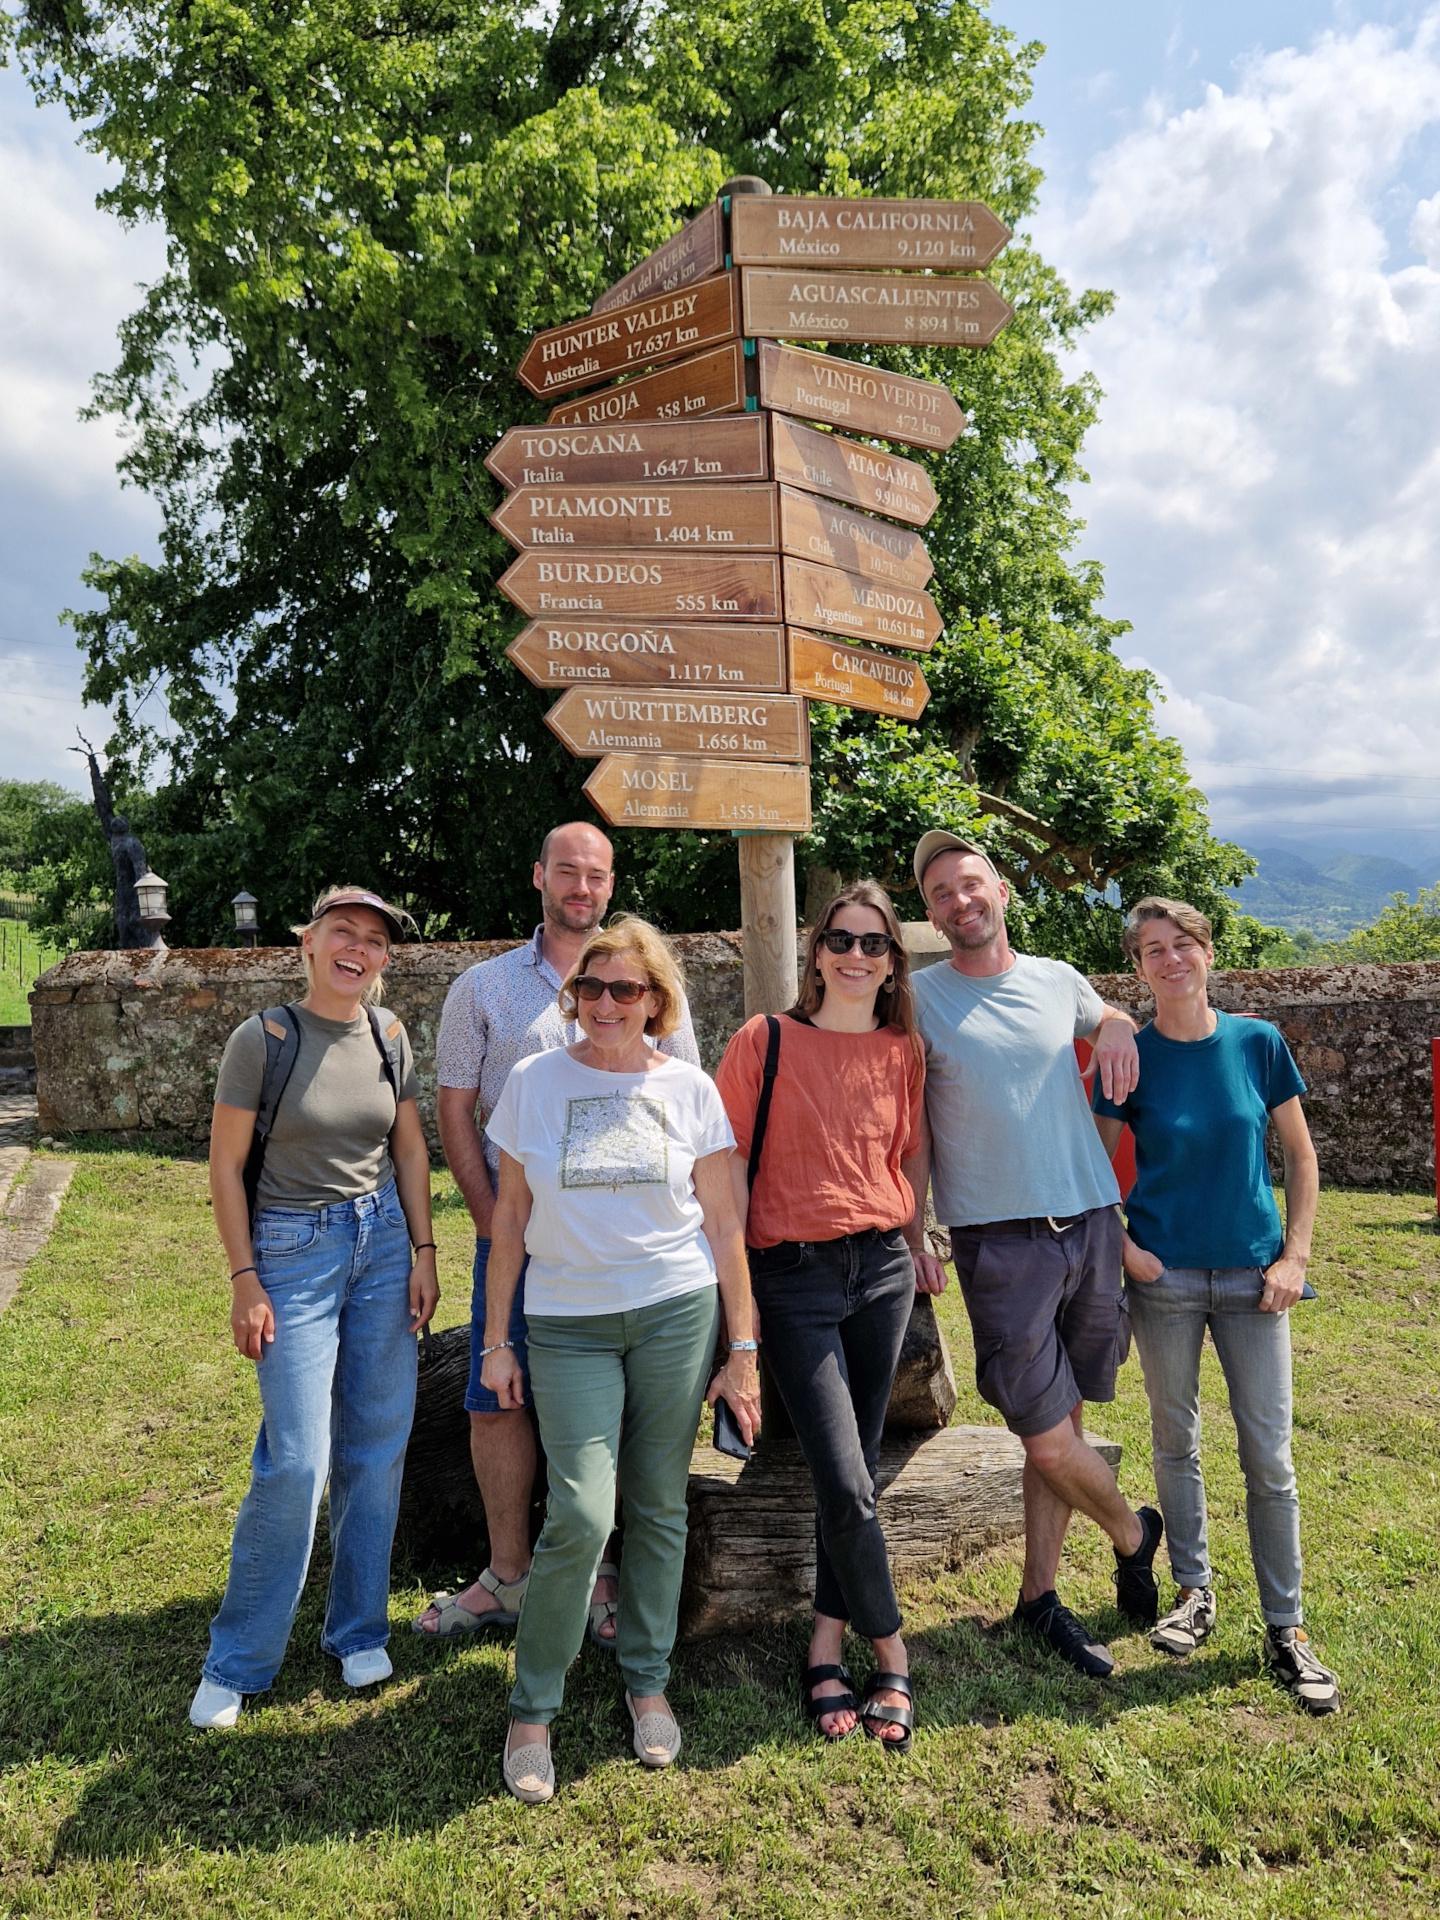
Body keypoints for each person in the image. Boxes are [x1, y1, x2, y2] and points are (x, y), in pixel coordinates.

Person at [479, 917, 760, 1802]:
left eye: (625, 990)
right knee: (582, 1512)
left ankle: (647, 1679)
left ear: (656, 1001)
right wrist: (495, 1339)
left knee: (660, 1504)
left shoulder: (689, 1088)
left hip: (677, 1312)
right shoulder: (533, 1081)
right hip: (568, 1320)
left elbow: (723, 1226)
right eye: (591, 988)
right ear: (574, 997)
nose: (605, 1004)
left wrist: (741, 1348)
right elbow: (509, 1223)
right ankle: (534, 1708)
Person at [414, 822, 700, 1645]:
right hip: (516, 1238)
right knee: (496, 1401)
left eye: (596, 874)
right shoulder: (485, 989)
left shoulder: (645, 983)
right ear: (538, 875)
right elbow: (456, 1109)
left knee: (613, 1407)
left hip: (622, 1252)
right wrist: (489, 1215)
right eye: (567, 871)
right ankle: (510, 1574)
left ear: (610, 886)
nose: (582, 886)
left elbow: (684, 1101)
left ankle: (601, 1573)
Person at [907, 831, 1164, 1678]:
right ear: (931, 912)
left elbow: (1108, 1016)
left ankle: (1037, 1598)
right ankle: (1134, 1532)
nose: (960, 901)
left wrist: (1121, 1023)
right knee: (1048, 1437)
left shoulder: (1058, 978)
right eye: (941, 892)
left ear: (1004, 891)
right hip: (999, 1238)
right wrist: (916, 1226)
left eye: (971, 884)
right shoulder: (918, 998)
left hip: (1090, 1220)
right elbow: (907, 1128)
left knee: (1063, 1425)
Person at [190, 886, 440, 1728]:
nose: (358, 949)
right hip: (293, 1250)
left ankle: (359, 1629)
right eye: (344, 932)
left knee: (376, 1443)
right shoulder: (262, 1040)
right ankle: (239, 1660)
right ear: (308, 941)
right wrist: (244, 1277)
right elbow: (226, 1169)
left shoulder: (389, 1034)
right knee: (296, 1456)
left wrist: (425, 1253)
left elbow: (408, 1146)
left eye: (374, 941)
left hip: (381, 1247)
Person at [1091, 897, 1338, 1713]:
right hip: (1162, 1281)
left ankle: (1287, 1627)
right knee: (1176, 1441)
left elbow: (1300, 1160)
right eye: (1152, 950)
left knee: (1268, 1457)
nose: (1170, 960)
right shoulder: (1129, 1057)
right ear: (1138, 968)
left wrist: (1294, 1257)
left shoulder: (1256, 1043)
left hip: (1253, 1279)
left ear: (1207, 952)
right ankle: (1195, 1592)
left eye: (1183, 944)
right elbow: (1091, 1171)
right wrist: (1128, 1252)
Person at [715, 881, 929, 1753]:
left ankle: (825, 1642)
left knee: (860, 1478)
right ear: (815, 951)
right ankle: (896, 1652)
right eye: (840, 939)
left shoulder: (903, 1050)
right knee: (842, 1478)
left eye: (873, 944)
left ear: (891, 964)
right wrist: (738, 1311)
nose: (855, 955)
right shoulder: (763, 1040)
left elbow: (907, 1155)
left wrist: (920, 1240)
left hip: (881, 1273)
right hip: (791, 1277)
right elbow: (722, 1170)